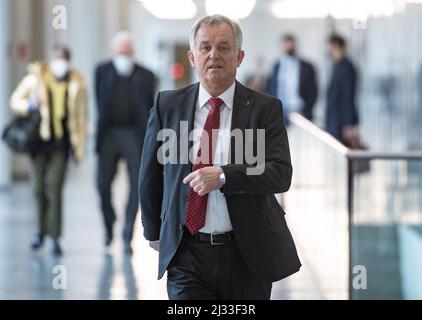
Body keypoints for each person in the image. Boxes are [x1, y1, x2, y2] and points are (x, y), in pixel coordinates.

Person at [139, 15, 301, 300]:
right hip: (187, 254)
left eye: (224, 48)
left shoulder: (265, 109)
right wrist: (153, 230)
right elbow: (149, 173)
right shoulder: (168, 105)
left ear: (239, 57)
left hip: (247, 254)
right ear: (192, 57)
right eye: (205, 47)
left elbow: (280, 173)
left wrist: (225, 176)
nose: (214, 55)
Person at [10, 46, 87, 256]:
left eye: (63, 59)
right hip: (38, 143)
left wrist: (79, 149)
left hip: (61, 144)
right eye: (56, 59)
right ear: (50, 60)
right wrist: (31, 104)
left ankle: (55, 237)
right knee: (37, 190)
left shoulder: (76, 83)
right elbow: (15, 101)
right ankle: (40, 231)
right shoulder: (35, 79)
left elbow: (80, 118)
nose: (59, 63)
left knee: (54, 188)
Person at [95, 31, 155, 254]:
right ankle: (109, 225)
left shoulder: (146, 75)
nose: (125, 57)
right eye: (121, 53)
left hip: (134, 136)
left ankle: (128, 234)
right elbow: (99, 104)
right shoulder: (102, 72)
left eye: (128, 53)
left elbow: (149, 110)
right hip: (109, 134)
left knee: (137, 187)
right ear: (113, 53)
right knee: (102, 185)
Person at [266, 34, 318, 123]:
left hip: (300, 111)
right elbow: (271, 88)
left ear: (296, 45)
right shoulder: (276, 66)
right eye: (286, 44)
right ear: (282, 46)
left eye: (291, 44)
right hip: (280, 112)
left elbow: (313, 90)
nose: (289, 47)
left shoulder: (307, 66)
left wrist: (308, 109)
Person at [326, 34, 359, 145]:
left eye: (330, 47)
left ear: (336, 46)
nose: (329, 51)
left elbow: (347, 96)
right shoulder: (338, 66)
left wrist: (348, 123)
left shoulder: (347, 68)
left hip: (342, 122)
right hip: (336, 120)